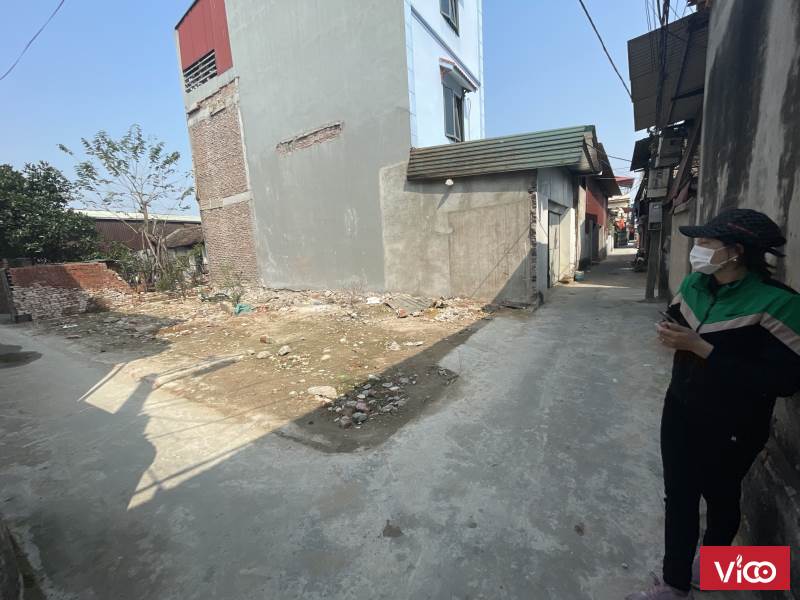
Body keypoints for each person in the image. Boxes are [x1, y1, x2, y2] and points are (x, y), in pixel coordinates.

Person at [627, 208, 800, 599]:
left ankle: (716, 568)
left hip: (734, 424)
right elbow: (676, 318)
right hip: (680, 407)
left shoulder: (777, 304)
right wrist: (670, 331)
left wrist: (702, 348)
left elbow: (784, 381)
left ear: (735, 251)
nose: (697, 248)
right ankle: (674, 584)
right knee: (680, 496)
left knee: (721, 496)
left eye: (706, 242)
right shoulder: (695, 284)